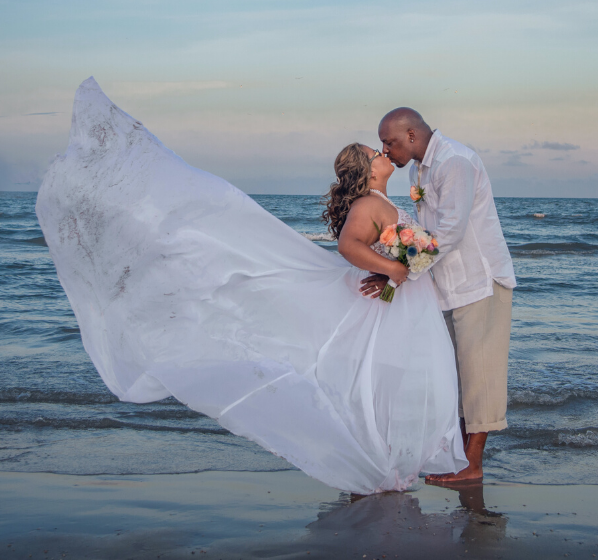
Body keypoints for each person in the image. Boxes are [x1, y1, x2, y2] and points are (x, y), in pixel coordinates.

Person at [36, 78, 466, 495]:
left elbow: (379, 248)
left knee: (379, 378)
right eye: (378, 151)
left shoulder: (385, 200)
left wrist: (398, 266)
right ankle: (377, 457)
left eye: (384, 147)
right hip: (393, 301)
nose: (384, 153)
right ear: (367, 169)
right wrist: (393, 271)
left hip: (398, 303)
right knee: (376, 378)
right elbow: (348, 246)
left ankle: (385, 457)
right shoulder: (371, 202)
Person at [367, 107, 516, 483]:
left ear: (413, 136)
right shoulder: (422, 168)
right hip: (448, 284)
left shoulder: (455, 162)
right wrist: (394, 266)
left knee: (481, 375)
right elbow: (424, 230)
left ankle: (473, 465)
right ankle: (463, 459)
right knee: (460, 375)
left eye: (390, 142)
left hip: (478, 281)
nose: (385, 151)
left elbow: (448, 231)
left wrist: (401, 274)